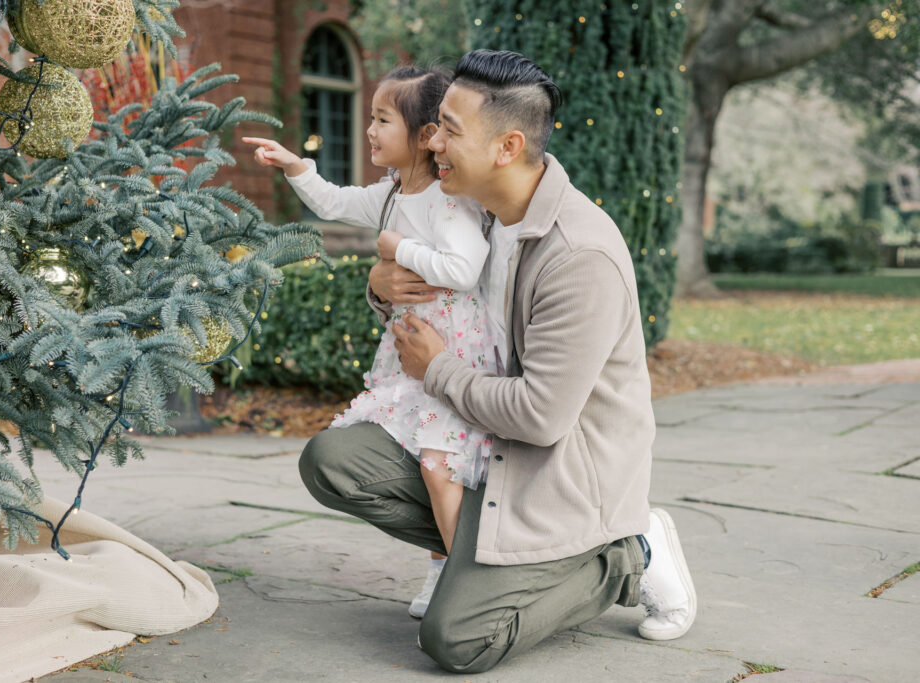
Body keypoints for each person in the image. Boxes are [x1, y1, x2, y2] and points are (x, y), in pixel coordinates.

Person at [297, 49, 697, 673]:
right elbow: (440, 307)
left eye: (450, 130)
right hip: (487, 442)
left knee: (457, 639)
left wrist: (437, 372)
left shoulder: (577, 255)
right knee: (334, 461)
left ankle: (628, 550)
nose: (433, 143)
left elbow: (540, 418)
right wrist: (382, 287)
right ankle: (483, 563)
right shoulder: (473, 207)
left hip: (559, 474)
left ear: (508, 146)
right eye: (434, 125)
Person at [242, 65, 497, 618]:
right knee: (417, 461)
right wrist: (296, 168)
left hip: (452, 354)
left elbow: (465, 268)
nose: (370, 131)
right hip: (410, 355)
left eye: (382, 119)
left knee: (438, 465)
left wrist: (396, 249)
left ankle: (464, 582)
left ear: (427, 135)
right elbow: (334, 203)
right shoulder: (390, 195)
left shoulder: (446, 200)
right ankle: (439, 565)